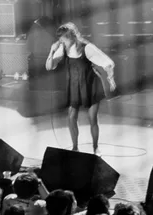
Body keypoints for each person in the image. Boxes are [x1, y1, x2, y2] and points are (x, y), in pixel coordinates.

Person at [46, 22, 116, 156]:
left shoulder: (87, 48)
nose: (60, 41)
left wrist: (111, 78)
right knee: (71, 117)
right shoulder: (62, 49)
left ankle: (95, 147)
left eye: (63, 38)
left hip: (91, 85)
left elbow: (107, 63)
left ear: (71, 37)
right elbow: (49, 66)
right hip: (74, 86)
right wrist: (52, 51)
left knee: (92, 118)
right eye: (60, 39)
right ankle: (75, 147)